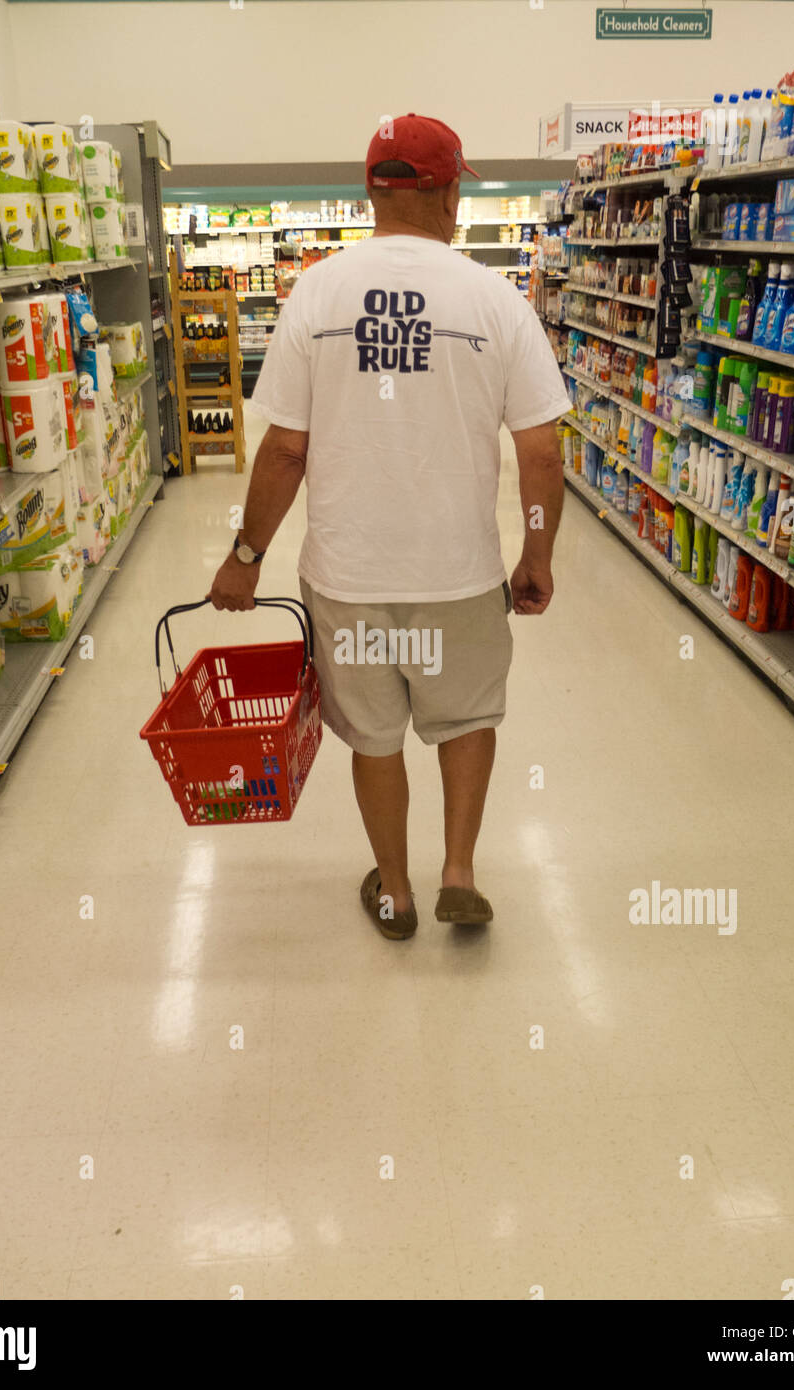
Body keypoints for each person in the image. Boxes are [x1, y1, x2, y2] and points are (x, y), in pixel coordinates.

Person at [209, 113, 570, 940]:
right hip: (461, 575)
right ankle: (458, 871)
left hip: (349, 578)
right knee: (466, 716)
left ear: (369, 190)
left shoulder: (317, 292)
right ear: (448, 195)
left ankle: (396, 893)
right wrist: (536, 554)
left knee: (374, 734)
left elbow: (284, 454)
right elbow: (541, 452)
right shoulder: (493, 298)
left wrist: (243, 558)